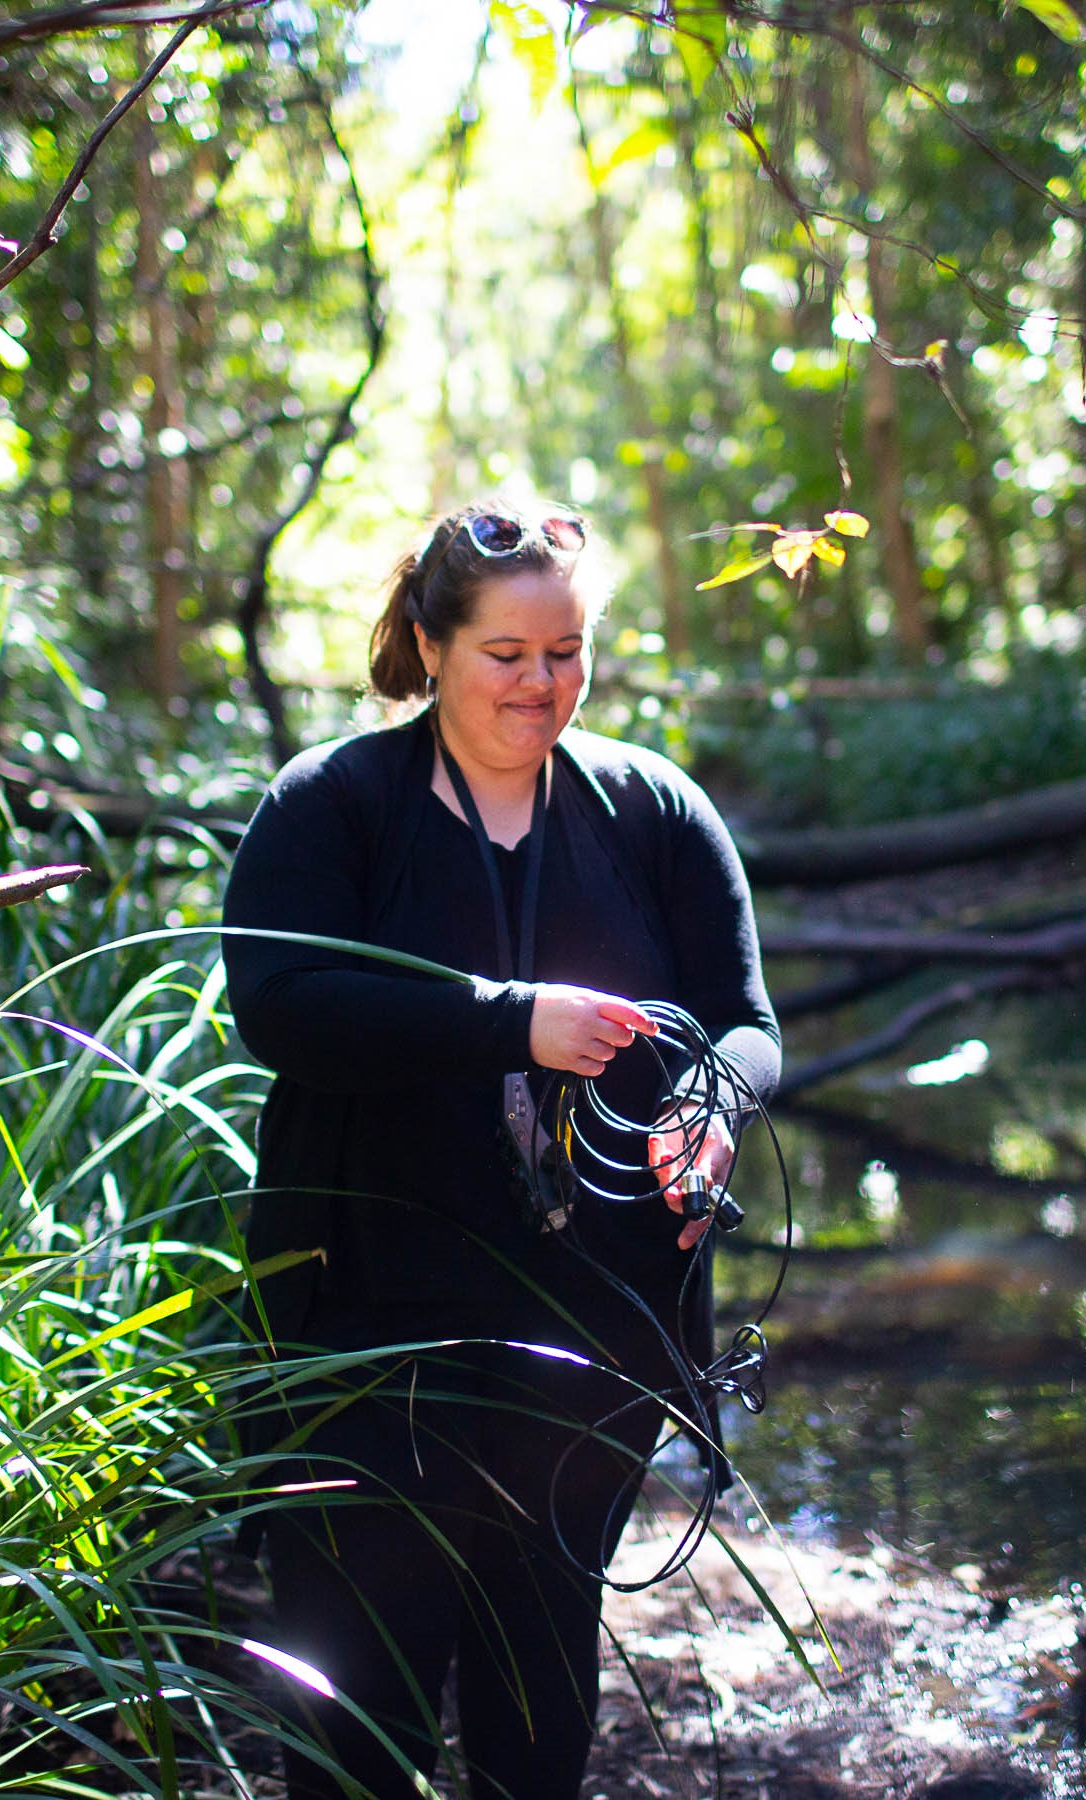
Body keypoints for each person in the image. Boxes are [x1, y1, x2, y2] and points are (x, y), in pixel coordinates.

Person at [221, 500, 778, 1798]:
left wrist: (713, 1108)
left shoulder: (651, 810)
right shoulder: (334, 807)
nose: (545, 685)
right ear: (429, 642)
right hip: (366, 1344)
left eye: (568, 652)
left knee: (539, 1728)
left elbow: (746, 1025)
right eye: (508, 655)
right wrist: (511, 1023)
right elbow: (281, 1006)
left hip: (591, 1344)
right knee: (361, 1728)